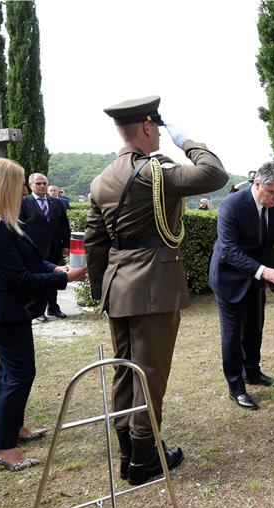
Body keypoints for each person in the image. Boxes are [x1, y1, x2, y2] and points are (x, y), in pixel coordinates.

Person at [84, 95, 228, 485]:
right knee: (149, 373)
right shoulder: (153, 173)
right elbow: (214, 174)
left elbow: (97, 244)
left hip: (119, 288)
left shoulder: (101, 179)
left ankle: (128, 452)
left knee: (124, 371)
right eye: (159, 129)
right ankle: (145, 460)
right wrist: (188, 141)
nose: (162, 135)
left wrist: (104, 292)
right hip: (152, 286)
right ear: (148, 127)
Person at [0, 158, 86, 471]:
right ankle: (3, 447)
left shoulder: (0, 220)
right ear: (2, 186)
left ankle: (13, 429)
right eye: (17, 183)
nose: (22, 190)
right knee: (19, 374)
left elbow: (29, 261)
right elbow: (18, 277)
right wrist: (64, 278)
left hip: (8, 310)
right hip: (0, 311)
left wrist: (55, 267)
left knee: (10, 372)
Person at [209, 161, 274, 411]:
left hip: (257, 280)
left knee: (255, 329)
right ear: (257, 184)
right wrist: (263, 270)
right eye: (272, 193)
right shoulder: (232, 206)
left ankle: (252, 372)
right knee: (232, 335)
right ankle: (236, 387)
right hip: (229, 278)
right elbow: (228, 250)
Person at [20, 173, 71, 320]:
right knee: (37, 279)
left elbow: (64, 226)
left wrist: (66, 245)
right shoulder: (24, 203)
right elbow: (20, 227)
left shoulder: (57, 203)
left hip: (55, 247)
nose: (42, 186)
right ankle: (38, 310)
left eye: (44, 183)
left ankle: (53, 308)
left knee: (54, 278)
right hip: (34, 248)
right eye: (38, 184)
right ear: (31, 185)